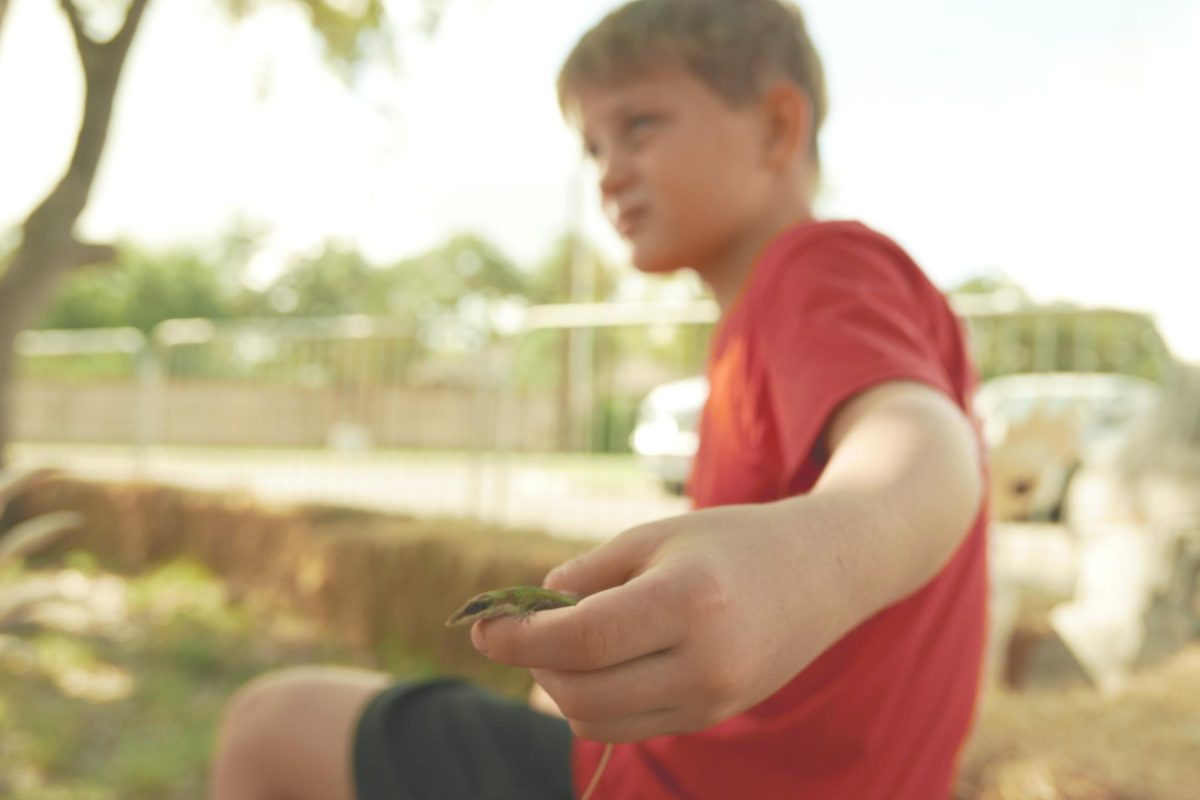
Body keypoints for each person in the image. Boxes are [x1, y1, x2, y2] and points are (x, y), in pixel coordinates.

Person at [208, 0, 989, 798]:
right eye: (593, 146)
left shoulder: (819, 269)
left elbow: (931, 454)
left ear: (776, 129)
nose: (609, 171)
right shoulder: (752, 332)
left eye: (641, 125)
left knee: (271, 727)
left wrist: (805, 565)